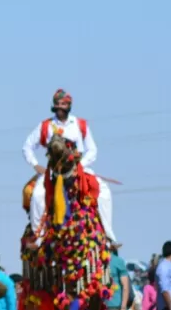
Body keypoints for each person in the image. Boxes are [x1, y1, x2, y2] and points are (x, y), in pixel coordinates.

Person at [22, 88, 117, 243]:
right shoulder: (46, 126)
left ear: (68, 105)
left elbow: (92, 150)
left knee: (104, 191)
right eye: (57, 104)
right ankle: (38, 237)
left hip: (79, 169)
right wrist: (35, 165)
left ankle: (108, 235)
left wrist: (80, 165)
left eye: (62, 104)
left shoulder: (80, 124)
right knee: (38, 195)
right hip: (53, 171)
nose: (59, 107)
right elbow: (27, 146)